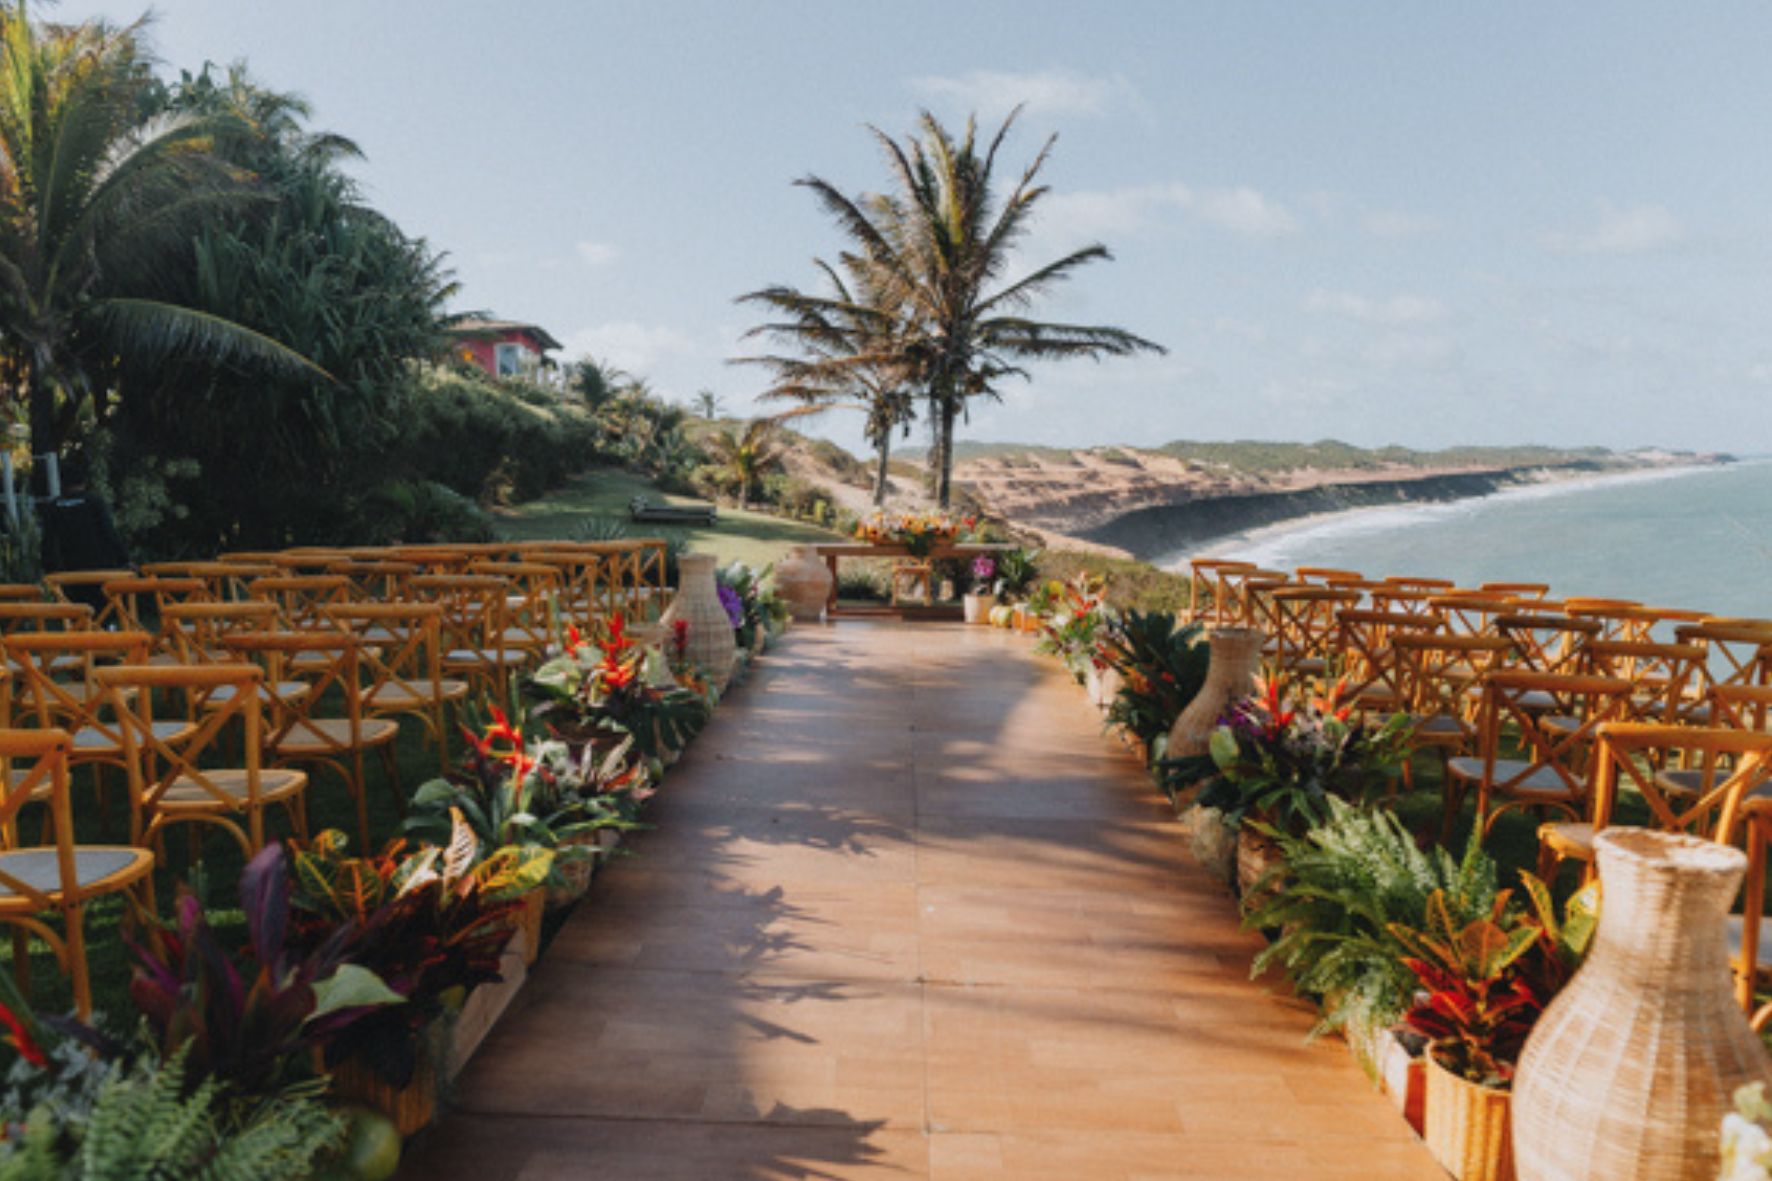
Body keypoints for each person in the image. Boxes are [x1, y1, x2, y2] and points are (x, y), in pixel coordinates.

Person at [38, 455, 131, 613]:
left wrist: (51, 569)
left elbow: (47, 542)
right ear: (84, 481)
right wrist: (124, 560)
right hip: (100, 568)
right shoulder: (94, 502)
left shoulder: (53, 507)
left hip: (69, 570)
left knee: (77, 611)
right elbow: (109, 533)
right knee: (104, 610)